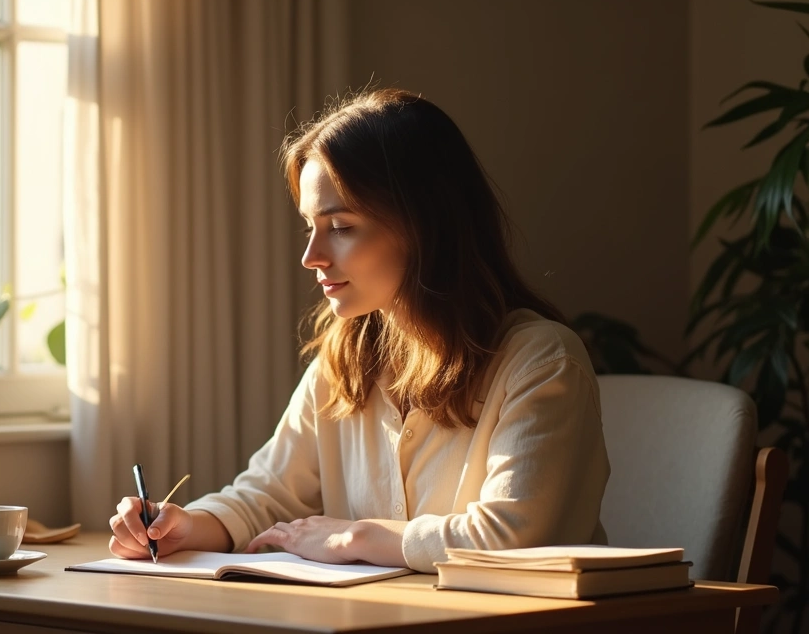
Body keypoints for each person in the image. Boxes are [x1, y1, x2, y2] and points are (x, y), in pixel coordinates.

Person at [107, 88, 610, 573]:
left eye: (342, 227)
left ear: (424, 225)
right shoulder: (344, 361)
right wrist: (186, 525)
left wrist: (355, 538)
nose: (312, 257)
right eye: (311, 226)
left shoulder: (541, 362)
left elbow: (513, 536)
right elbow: (268, 494)